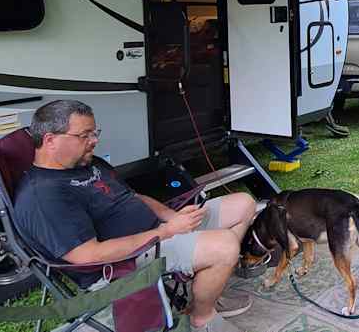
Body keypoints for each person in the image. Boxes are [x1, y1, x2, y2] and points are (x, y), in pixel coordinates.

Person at [13, 100, 255, 332]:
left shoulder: (85, 163)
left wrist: (171, 217)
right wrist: (165, 232)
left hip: (158, 231)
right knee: (225, 246)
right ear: (50, 140)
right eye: (84, 135)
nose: (94, 141)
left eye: (94, 132)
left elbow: (133, 196)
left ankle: (209, 289)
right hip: (126, 260)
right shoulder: (44, 195)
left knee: (243, 204)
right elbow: (87, 256)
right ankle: (201, 317)